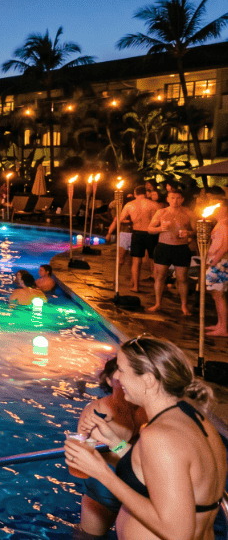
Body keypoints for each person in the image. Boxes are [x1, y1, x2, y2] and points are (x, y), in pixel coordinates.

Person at [65, 337, 226, 540]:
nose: (116, 376)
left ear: (148, 379)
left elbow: (177, 533)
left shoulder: (160, 436)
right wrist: (115, 442)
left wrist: (103, 473)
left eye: (122, 370)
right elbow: (160, 469)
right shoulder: (195, 420)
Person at [74, 357, 147, 539]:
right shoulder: (96, 412)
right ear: (109, 380)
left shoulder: (146, 410)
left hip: (137, 485)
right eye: (118, 376)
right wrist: (86, 440)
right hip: (103, 488)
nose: (123, 381)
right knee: (89, 537)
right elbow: (81, 453)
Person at [147, 191, 195, 314]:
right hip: (164, 247)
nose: (175, 201)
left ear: (182, 199)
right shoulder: (161, 212)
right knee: (160, 276)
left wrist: (188, 233)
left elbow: (196, 231)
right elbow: (150, 229)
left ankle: (184, 306)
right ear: (168, 199)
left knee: (182, 278)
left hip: (181, 247)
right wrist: (159, 229)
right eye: (172, 198)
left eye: (178, 198)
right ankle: (158, 303)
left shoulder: (188, 213)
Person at [113, 186, 162, 293]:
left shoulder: (130, 205)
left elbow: (121, 219)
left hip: (137, 233)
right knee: (154, 260)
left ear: (135, 193)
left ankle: (135, 286)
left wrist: (131, 221)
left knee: (136, 260)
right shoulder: (154, 205)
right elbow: (160, 220)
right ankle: (158, 285)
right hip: (151, 233)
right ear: (146, 193)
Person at [205, 202, 228, 337]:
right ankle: (220, 324)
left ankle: (223, 328)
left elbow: (225, 245)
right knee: (216, 295)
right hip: (218, 262)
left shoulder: (224, 223)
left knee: (219, 295)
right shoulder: (221, 223)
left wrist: (214, 260)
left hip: (220, 263)